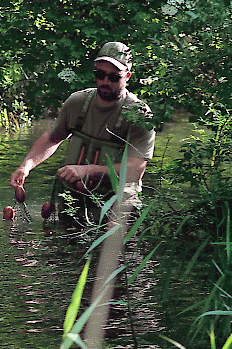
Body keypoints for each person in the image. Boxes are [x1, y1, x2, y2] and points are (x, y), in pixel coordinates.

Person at [10, 42, 155, 224]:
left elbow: (136, 170)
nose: (105, 82)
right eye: (100, 75)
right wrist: (26, 166)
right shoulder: (77, 102)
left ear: (127, 76)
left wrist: (89, 170)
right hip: (73, 197)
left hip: (118, 201)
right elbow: (52, 138)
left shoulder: (139, 114)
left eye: (114, 77)